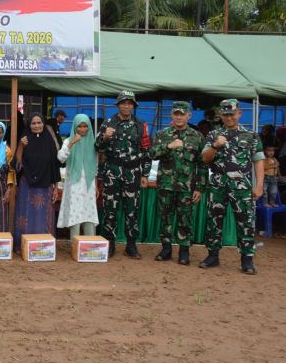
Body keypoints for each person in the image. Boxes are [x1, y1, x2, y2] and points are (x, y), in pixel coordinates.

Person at [200, 99, 265, 274]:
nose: (229, 117)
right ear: (221, 115)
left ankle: (247, 259)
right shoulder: (214, 135)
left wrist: (259, 186)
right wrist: (215, 145)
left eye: (232, 114)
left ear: (239, 113)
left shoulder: (251, 135)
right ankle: (212, 256)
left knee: (246, 222)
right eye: (226, 114)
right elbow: (205, 158)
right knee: (213, 221)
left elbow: (258, 161)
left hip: (241, 185)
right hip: (218, 184)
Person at [148, 101, 207, 265]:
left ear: (189, 115)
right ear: (171, 115)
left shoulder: (197, 136)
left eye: (182, 114)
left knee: (185, 219)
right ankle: (166, 248)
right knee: (165, 218)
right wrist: (168, 146)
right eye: (176, 114)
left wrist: (200, 188)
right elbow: (151, 154)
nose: (179, 117)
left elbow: (202, 164)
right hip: (165, 185)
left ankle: (184, 251)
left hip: (187, 187)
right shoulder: (162, 134)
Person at [94, 91, 151, 258]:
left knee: (132, 210)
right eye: (123, 103)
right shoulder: (108, 122)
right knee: (110, 209)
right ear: (118, 105)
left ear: (133, 106)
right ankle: (109, 243)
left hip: (133, 172)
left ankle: (131, 245)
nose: (126, 106)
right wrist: (104, 137)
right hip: (112, 171)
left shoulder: (141, 125)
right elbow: (97, 147)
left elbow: (146, 151)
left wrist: (145, 175)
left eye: (129, 103)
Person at [14, 113, 62, 251]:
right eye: (33, 123)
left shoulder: (49, 141)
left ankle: (44, 247)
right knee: (26, 214)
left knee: (43, 216)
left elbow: (54, 165)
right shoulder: (24, 139)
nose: (36, 126)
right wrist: (21, 146)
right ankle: (23, 246)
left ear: (43, 124)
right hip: (26, 185)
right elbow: (17, 163)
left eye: (39, 123)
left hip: (45, 185)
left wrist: (55, 186)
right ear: (29, 125)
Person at [57, 114, 99, 239]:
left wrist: (96, 185)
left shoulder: (93, 143)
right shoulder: (68, 140)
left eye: (85, 126)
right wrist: (72, 143)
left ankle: (90, 243)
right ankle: (75, 244)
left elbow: (95, 166)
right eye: (79, 126)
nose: (82, 129)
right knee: (75, 213)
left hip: (89, 184)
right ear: (74, 127)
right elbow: (60, 158)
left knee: (89, 212)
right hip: (74, 183)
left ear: (89, 127)